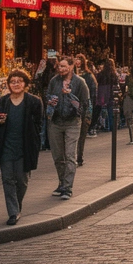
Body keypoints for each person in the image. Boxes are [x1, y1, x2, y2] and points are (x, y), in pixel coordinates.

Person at [0, 69, 43, 225]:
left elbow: (39, 123)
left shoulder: (34, 101)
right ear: (8, 84)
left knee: (21, 180)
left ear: (25, 83)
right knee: (7, 179)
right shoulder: (3, 101)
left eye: (19, 81)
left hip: (24, 147)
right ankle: (13, 212)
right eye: (13, 81)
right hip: (6, 146)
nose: (16, 84)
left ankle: (17, 205)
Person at [44, 57, 91, 201]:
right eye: (59, 66)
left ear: (71, 66)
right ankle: (61, 183)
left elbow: (87, 103)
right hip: (56, 121)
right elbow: (47, 96)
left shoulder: (80, 82)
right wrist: (50, 101)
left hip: (73, 122)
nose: (61, 69)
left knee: (70, 155)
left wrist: (87, 121)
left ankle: (68, 187)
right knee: (58, 156)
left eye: (64, 66)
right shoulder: (54, 81)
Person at [95, 58, 119, 136]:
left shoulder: (101, 73)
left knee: (101, 109)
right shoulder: (114, 74)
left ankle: (104, 125)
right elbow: (116, 83)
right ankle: (112, 127)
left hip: (102, 93)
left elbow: (97, 80)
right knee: (110, 110)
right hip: (111, 93)